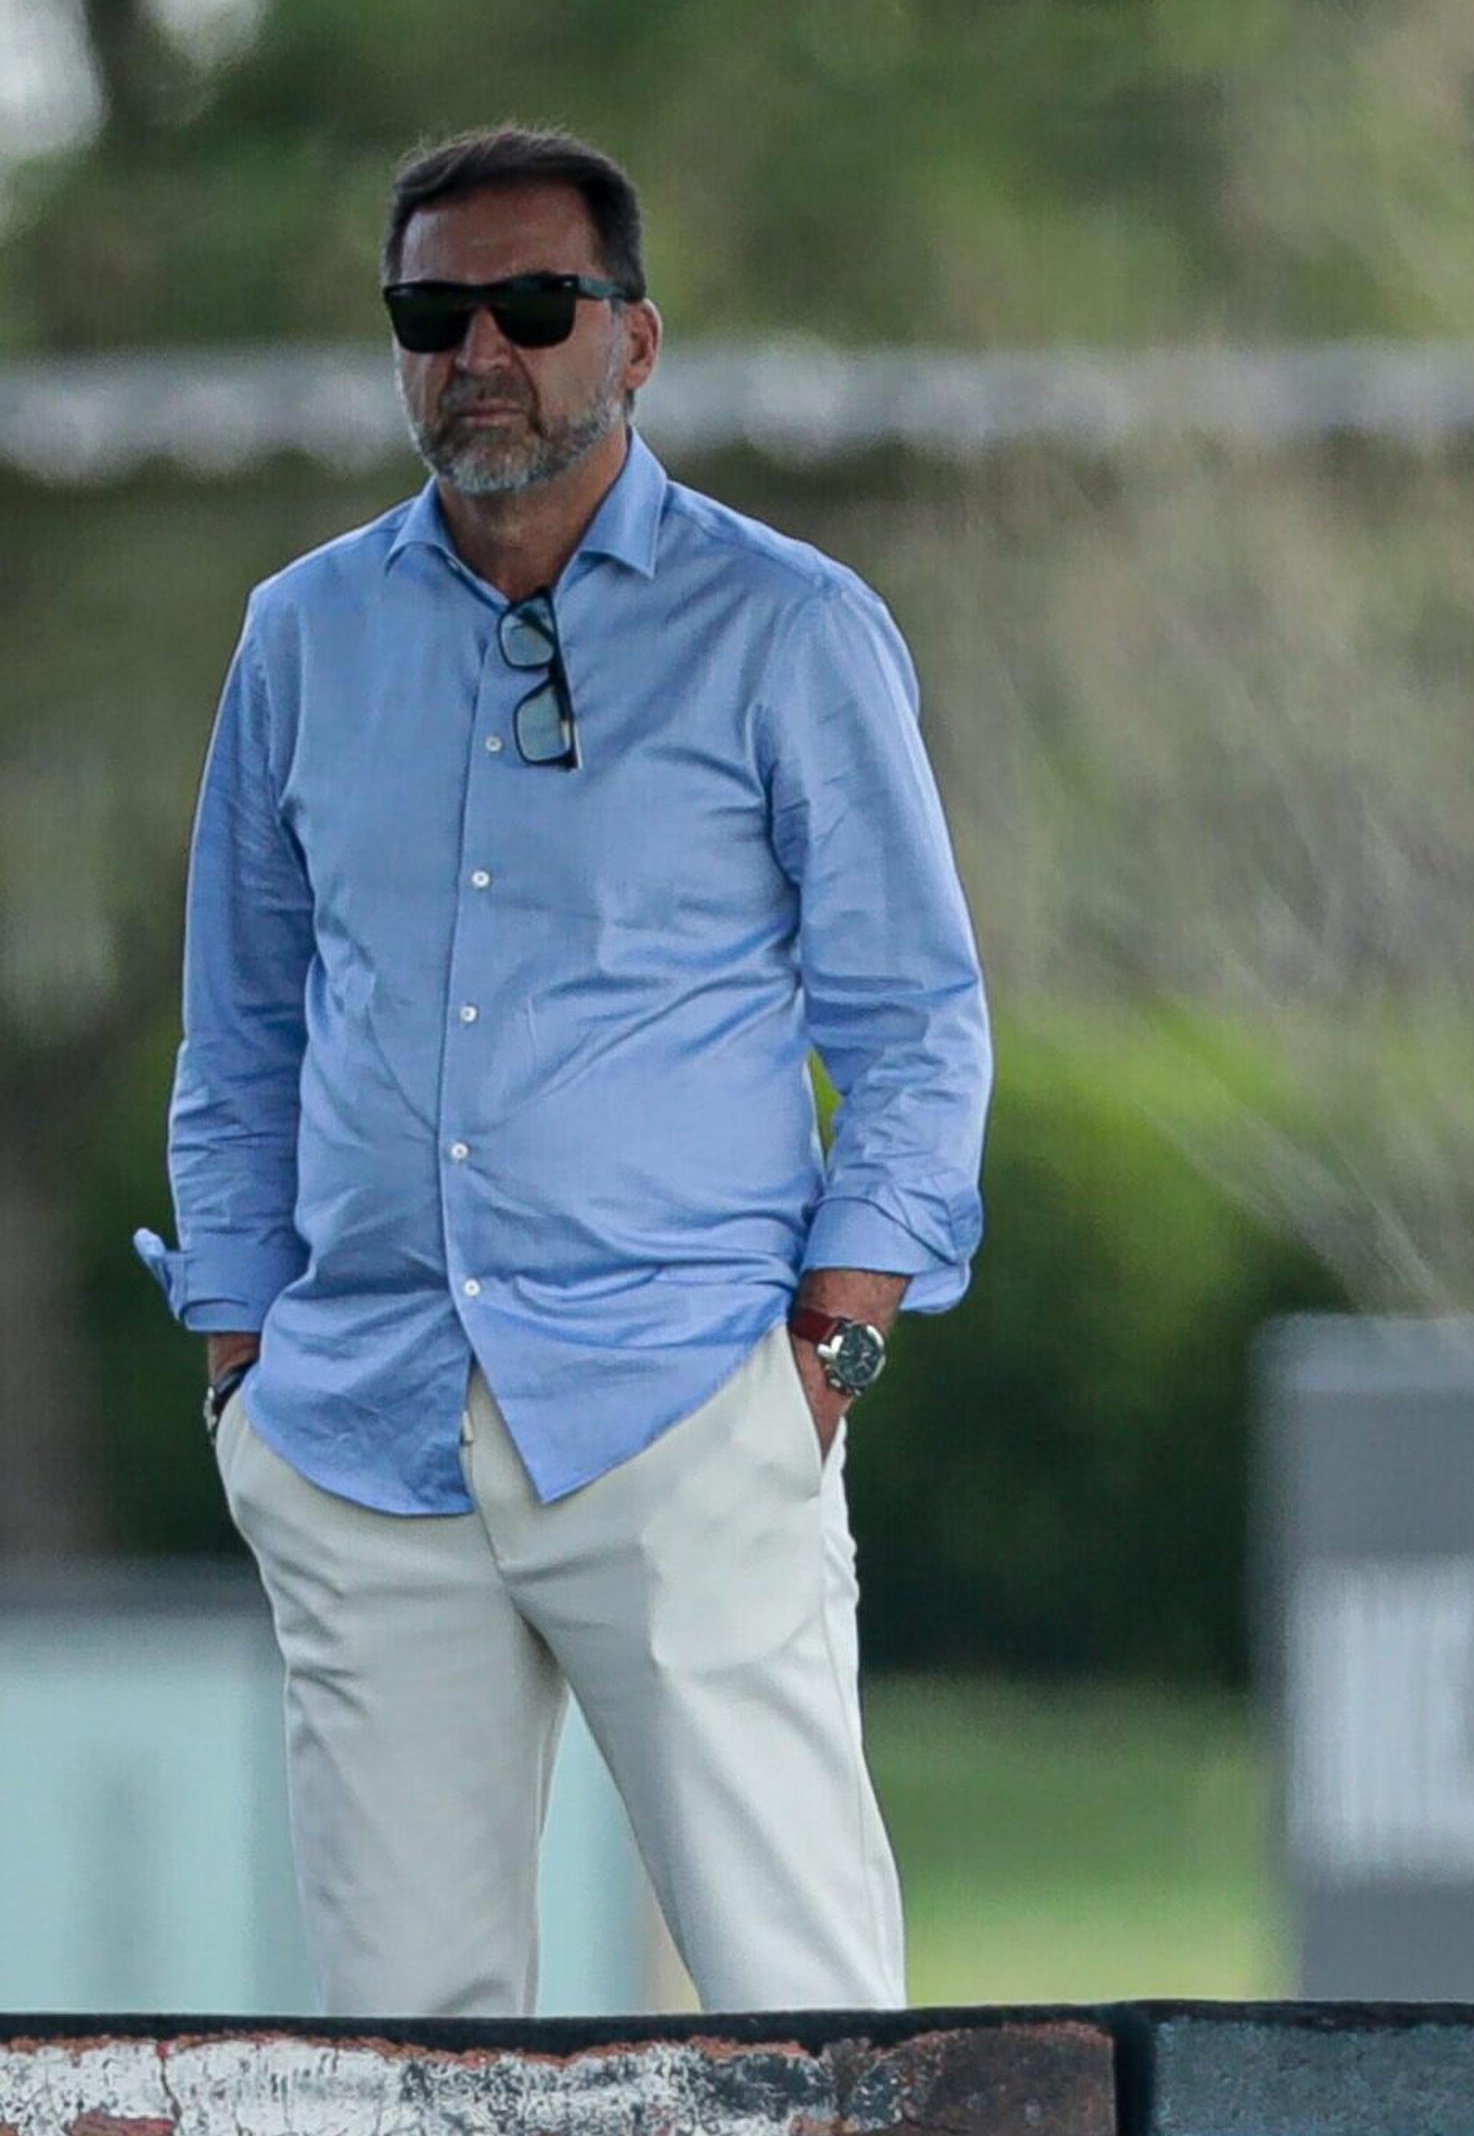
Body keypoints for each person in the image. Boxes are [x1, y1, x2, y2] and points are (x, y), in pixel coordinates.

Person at [132, 126, 991, 2014]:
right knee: (406, 2069)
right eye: (434, 313)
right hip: (358, 1423)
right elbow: (245, 1027)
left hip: (685, 1404)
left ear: (638, 340)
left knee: (807, 2023)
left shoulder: (788, 628)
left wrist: (833, 1344)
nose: (481, 352)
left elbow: (916, 1020)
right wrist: (240, 1349)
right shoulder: (300, 639)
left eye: (532, 304)